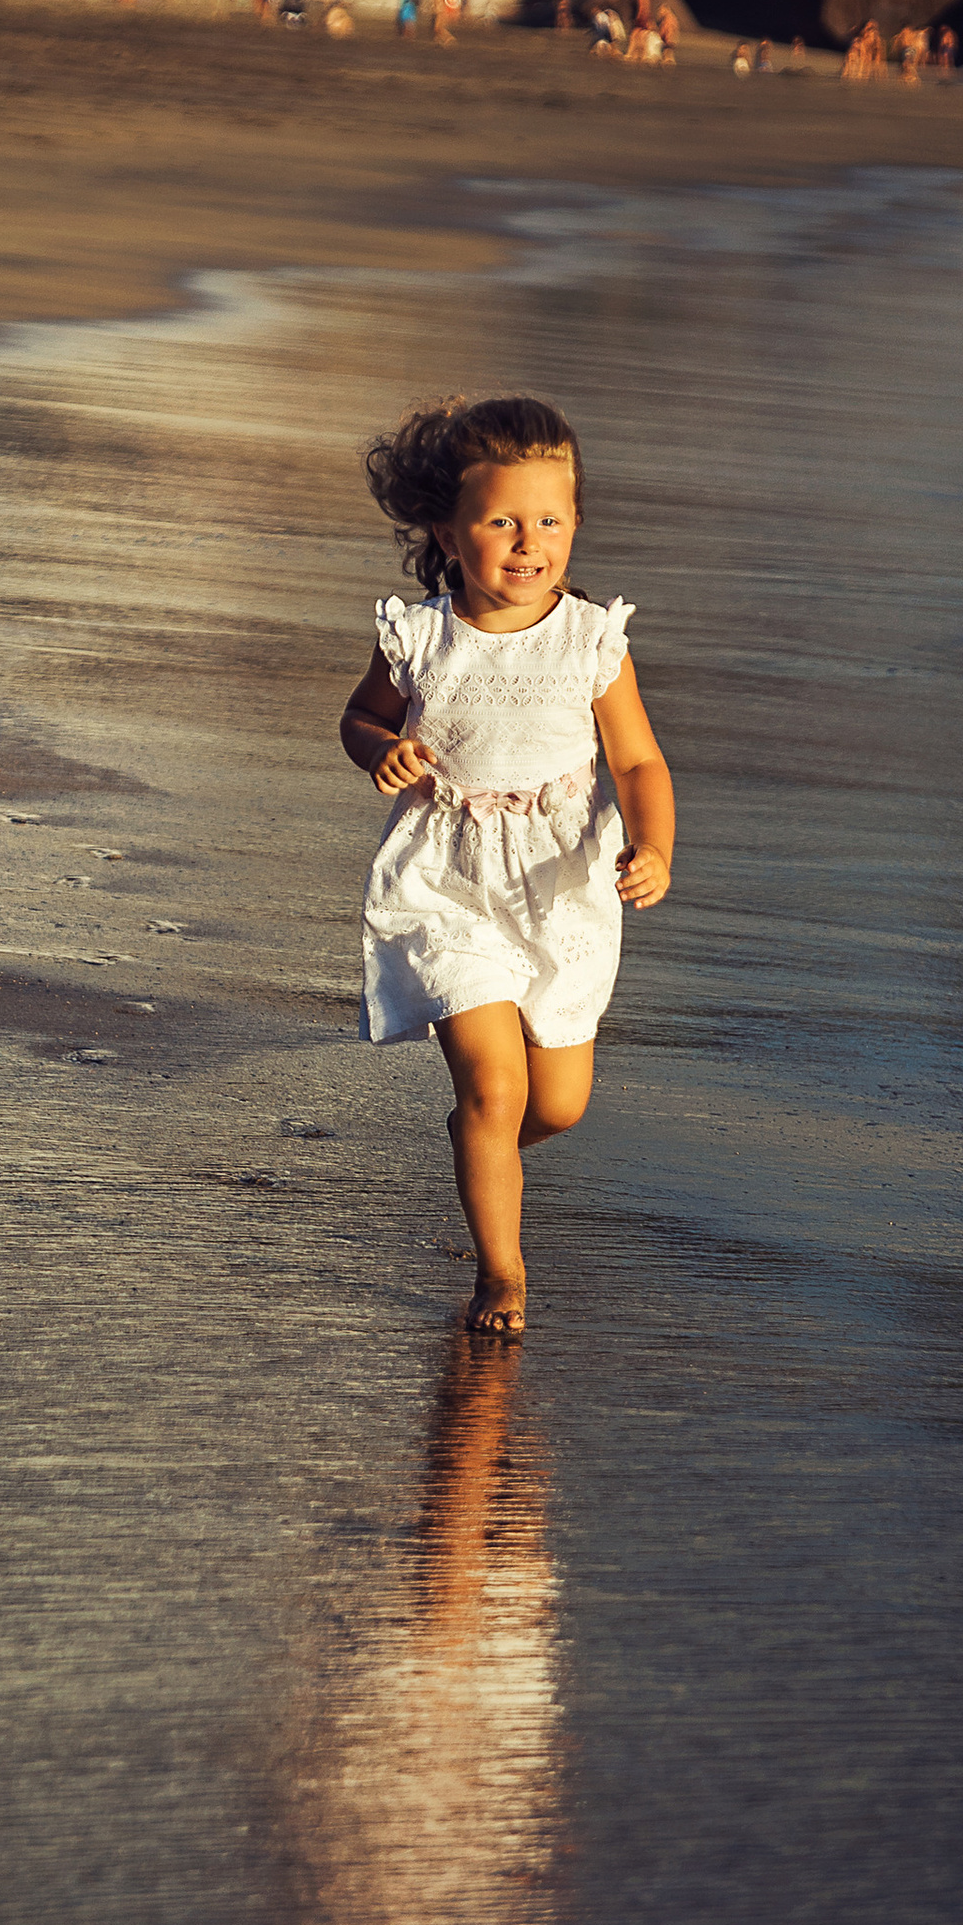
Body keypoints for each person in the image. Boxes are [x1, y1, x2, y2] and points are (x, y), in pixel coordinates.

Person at [338, 396, 674, 1336]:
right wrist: (379, 751)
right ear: (447, 531)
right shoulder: (422, 635)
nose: (530, 543)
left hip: (560, 883)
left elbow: (640, 762)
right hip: (448, 883)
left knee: (554, 1106)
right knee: (493, 1087)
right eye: (501, 521)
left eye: (551, 521)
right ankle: (502, 1274)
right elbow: (359, 716)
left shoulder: (592, 644)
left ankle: (488, 1157)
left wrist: (656, 846)